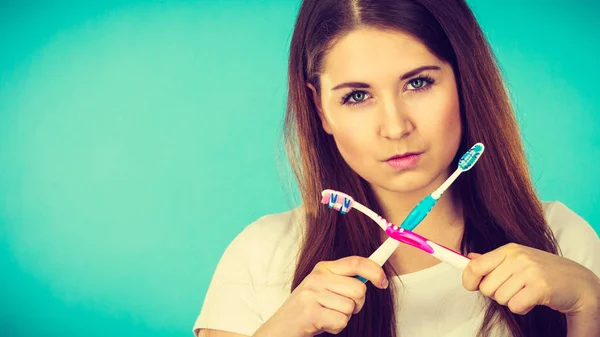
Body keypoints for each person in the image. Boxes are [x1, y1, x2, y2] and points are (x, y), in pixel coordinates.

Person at [193, 0, 600, 336]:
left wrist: (588, 305)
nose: (395, 127)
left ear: (464, 81)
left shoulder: (563, 241)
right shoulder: (261, 256)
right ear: (321, 109)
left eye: (418, 83)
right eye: (356, 96)